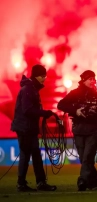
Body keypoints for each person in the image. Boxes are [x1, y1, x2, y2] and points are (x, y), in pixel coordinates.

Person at [11, 64, 57, 192]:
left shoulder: (30, 88)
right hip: (25, 128)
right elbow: (27, 110)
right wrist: (44, 113)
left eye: (45, 76)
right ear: (36, 76)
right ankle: (23, 183)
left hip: (28, 128)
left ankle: (39, 182)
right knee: (27, 155)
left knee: (35, 155)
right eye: (42, 76)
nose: (44, 78)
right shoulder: (28, 89)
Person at [57, 70, 97, 191]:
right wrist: (76, 111)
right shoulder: (75, 93)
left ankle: (82, 180)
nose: (92, 81)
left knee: (88, 157)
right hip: (78, 129)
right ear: (83, 80)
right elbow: (61, 105)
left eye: (94, 79)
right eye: (90, 79)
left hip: (93, 128)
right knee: (84, 157)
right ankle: (94, 182)